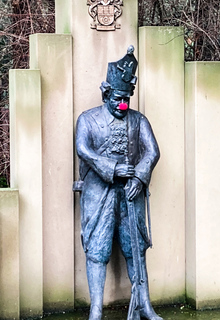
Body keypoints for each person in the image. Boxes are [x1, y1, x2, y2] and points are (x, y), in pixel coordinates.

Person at [75, 46, 163, 320]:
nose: (122, 104)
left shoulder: (139, 120)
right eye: (117, 99)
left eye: (126, 99)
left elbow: (152, 151)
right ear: (106, 94)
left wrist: (138, 175)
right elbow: (83, 149)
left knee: (135, 248)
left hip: (130, 193)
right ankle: (96, 310)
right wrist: (111, 168)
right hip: (98, 192)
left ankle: (144, 305)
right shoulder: (87, 119)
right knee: (97, 249)